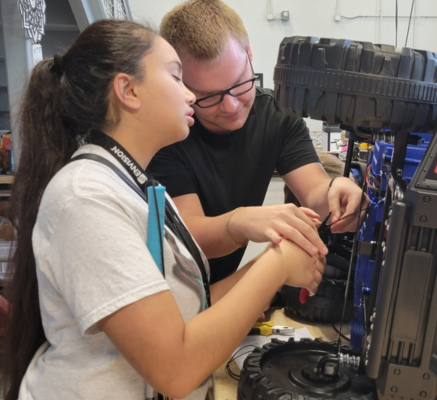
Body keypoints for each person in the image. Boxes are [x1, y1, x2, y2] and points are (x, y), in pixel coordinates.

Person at [0, 19, 324, 400]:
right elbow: (175, 367)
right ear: (128, 90)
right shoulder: (86, 197)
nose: (190, 96)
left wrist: (275, 255)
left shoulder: (138, 186)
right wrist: (279, 263)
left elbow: (193, 310)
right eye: (176, 78)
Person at [148, 0, 367, 284]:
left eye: (240, 84)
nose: (230, 106)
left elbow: (314, 191)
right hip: (170, 289)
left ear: (249, 53)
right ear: (180, 83)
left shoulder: (276, 115)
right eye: (208, 96)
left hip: (219, 290)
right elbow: (191, 237)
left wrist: (337, 192)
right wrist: (243, 222)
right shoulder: (169, 133)